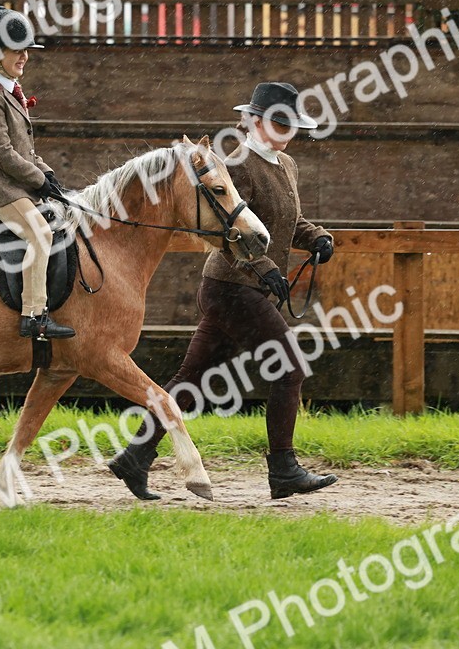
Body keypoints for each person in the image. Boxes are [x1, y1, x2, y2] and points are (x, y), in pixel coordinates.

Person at [108, 82, 337, 500]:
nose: (285, 130)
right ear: (252, 120)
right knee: (290, 369)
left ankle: (135, 456)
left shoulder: (286, 164)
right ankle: (283, 469)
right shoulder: (239, 165)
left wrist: (316, 237)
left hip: (240, 289)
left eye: (291, 123)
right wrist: (264, 268)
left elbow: (287, 220)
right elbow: (230, 231)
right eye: (277, 121)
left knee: (188, 380)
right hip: (232, 287)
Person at [0, 6, 74, 340]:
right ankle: (34, 315)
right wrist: (38, 181)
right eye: (18, 50)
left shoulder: (11, 93)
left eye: (27, 50)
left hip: (16, 184)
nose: (25, 56)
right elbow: (2, 152)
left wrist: (49, 175)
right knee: (40, 233)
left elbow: (26, 152)